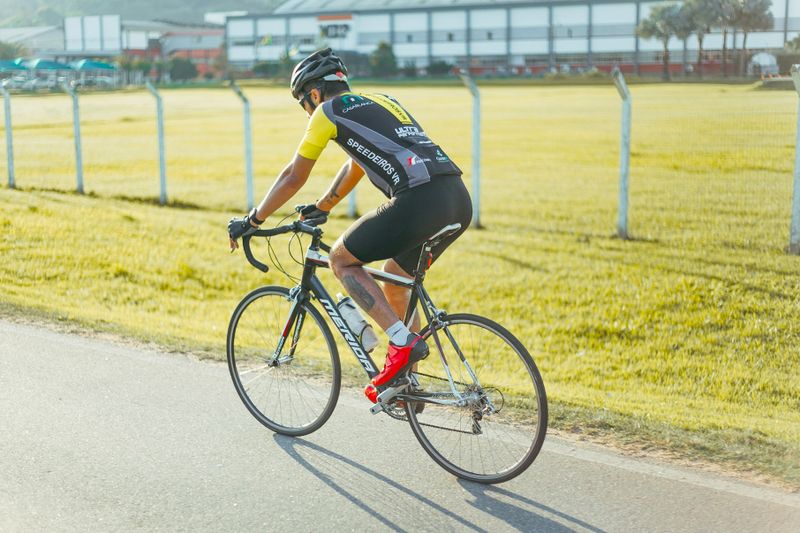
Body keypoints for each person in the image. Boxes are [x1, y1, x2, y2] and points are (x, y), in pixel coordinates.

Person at [228, 48, 472, 401]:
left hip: (418, 200)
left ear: (313, 94)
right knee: (397, 281)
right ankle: (406, 384)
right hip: (457, 199)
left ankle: (402, 345)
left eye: (303, 103)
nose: (306, 112)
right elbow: (358, 162)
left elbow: (294, 175)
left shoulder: (326, 112)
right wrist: (324, 205)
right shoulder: (383, 101)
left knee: (341, 260)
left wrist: (253, 220)